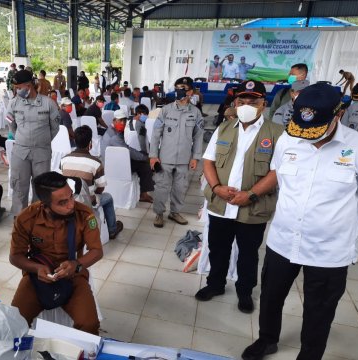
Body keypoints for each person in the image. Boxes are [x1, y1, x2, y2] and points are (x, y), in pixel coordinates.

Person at [242, 83, 358, 360]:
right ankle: (267, 340)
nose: (308, 137)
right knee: (271, 297)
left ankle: (310, 355)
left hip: (328, 252)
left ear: (339, 114)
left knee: (319, 309)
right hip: (283, 241)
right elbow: (282, 180)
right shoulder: (288, 139)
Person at [195, 80, 283, 314]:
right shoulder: (224, 128)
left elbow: (277, 172)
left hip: (252, 207)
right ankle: (215, 285)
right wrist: (216, 188)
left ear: (263, 104)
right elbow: (208, 161)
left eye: (252, 102)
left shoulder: (276, 133)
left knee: (248, 254)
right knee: (218, 248)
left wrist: (251, 194)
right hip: (221, 203)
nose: (246, 106)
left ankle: (245, 292)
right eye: (241, 101)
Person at [9, 171, 103, 335]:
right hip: (37, 277)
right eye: (62, 202)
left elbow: (97, 251)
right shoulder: (26, 218)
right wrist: (36, 268)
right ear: (44, 205)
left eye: (71, 197)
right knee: (14, 323)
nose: (71, 205)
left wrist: (76, 265)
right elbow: (15, 256)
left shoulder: (84, 215)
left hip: (73, 275)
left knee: (89, 325)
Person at [150, 77, 204, 228]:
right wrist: (153, 156)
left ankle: (175, 212)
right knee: (161, 187)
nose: (179, 92)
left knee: (180, 188)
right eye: (177, 88)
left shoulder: (196, 113)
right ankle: (159, 213)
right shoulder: (166, 110)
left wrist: (196, 157)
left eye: (183, 89)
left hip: (184, 159)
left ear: (190, 92)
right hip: (165, 158)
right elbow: (156, 135)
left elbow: (198, 137)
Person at [7, 70, 60, 216]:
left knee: (41, 188)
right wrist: (23, 139)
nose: (17, 90)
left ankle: (37, 219)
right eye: (15, 88)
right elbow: (11, 126)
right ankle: (19, 220)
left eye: (19, 87)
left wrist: (42, 140)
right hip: (20, 152)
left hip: (41, 152)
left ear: (29, 85)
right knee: (19, 186)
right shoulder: (13, 104)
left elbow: (55, 128)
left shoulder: (48, 103)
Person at [61, 125, 124, 239]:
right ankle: (112, 230)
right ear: (90, 143)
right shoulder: (96, 163)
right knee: (108, 197)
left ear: (75, 140)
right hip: (87, 201)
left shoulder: (64, 159)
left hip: (67, 200)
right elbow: (101, 188)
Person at [101, 109, 154, 203]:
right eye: (120, 120)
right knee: (144, 165)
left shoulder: (111, 130)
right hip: (116, 166)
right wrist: (144, 157)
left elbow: (126, 148)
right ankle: (143, 194)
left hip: (115, 161)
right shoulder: (114, 137)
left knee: (141, 158)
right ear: (114, 120)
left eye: (124, 120)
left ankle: (146, 185)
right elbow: (128, 151)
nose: (123, 123)